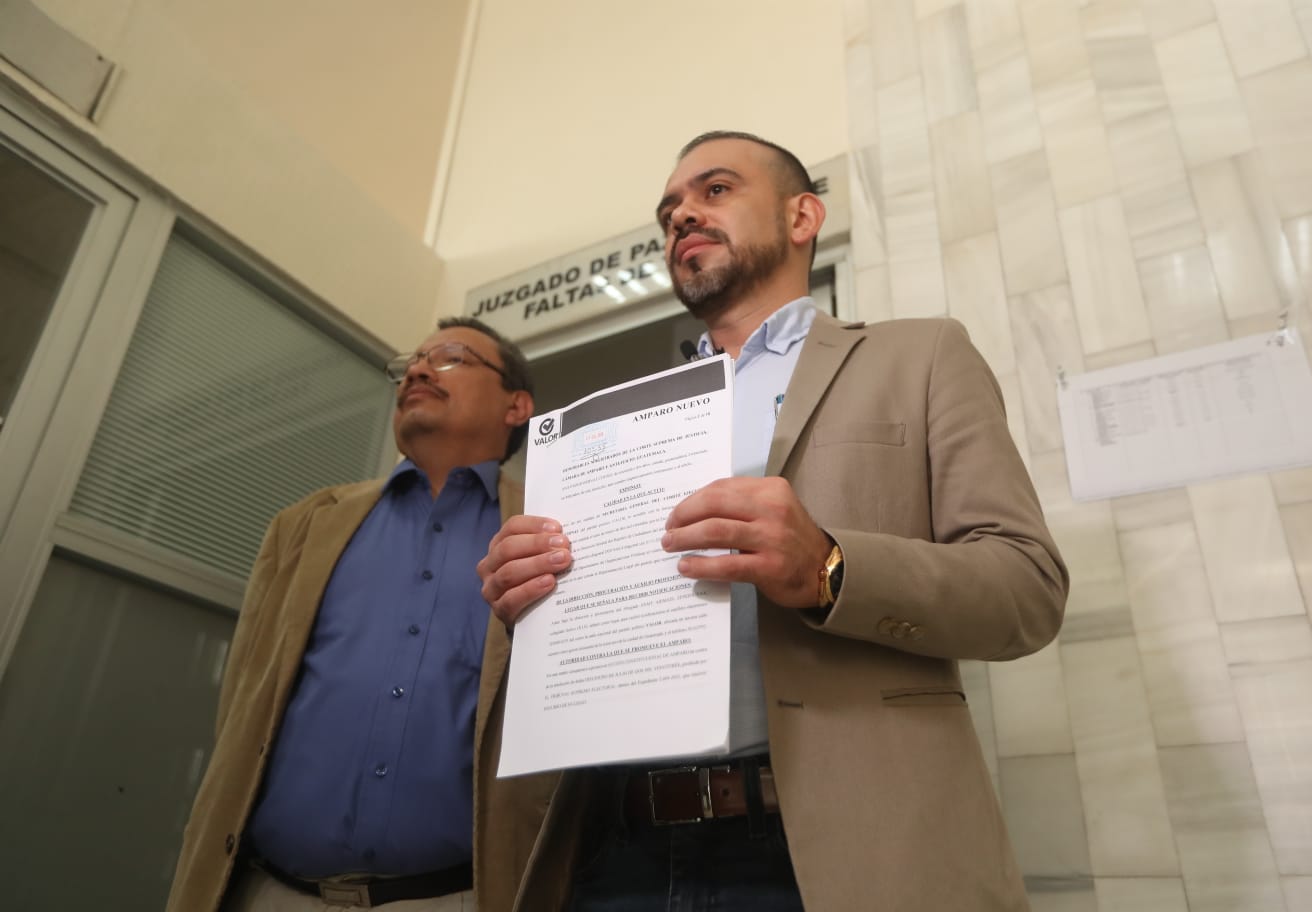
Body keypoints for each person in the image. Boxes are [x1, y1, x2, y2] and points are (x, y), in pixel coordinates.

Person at [474, 131, 1069, 911]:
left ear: (803, 217)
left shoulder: (918, 355)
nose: (682, 214)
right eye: (669, 211)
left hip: (838, 852)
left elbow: (1026, 589)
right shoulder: (614, 430)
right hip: (616, 855)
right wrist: (537, 601)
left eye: (714, 190)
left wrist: (828, 566)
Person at [166, 316, 556, 912]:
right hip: (268, 892)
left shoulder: (551, 529)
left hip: (456, 898)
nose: (419, 370)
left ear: (516, 405)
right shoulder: (303, 527)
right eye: (411, 364)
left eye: (451, 357)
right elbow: (243, 704)